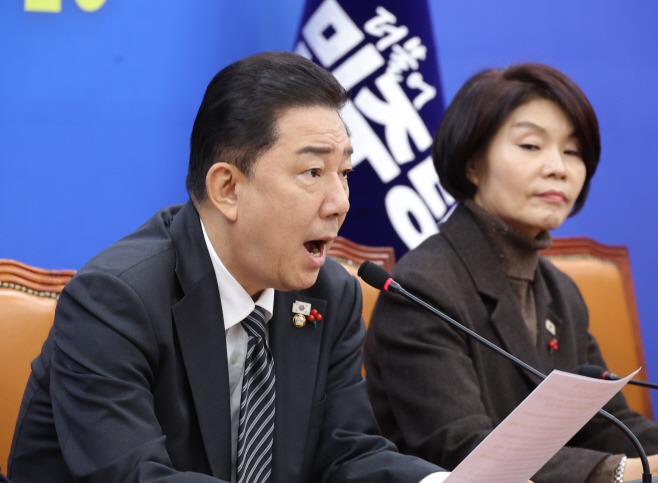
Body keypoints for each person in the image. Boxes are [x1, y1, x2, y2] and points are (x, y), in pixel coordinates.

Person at [8, 52, 449, 483]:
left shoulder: (329, 294)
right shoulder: (116, 299)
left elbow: (347, 452)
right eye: (313, 172)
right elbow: (135, 474)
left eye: (345, 172)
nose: (340, 203)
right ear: (228, 189)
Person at [363, 63, 658, 483]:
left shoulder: (561, 292)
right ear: (472, 163)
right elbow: (464, 449)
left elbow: (603, 421)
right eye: (531, 145)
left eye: (573, 152)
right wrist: (620, 472)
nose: (558, 167)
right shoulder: (423, 289)